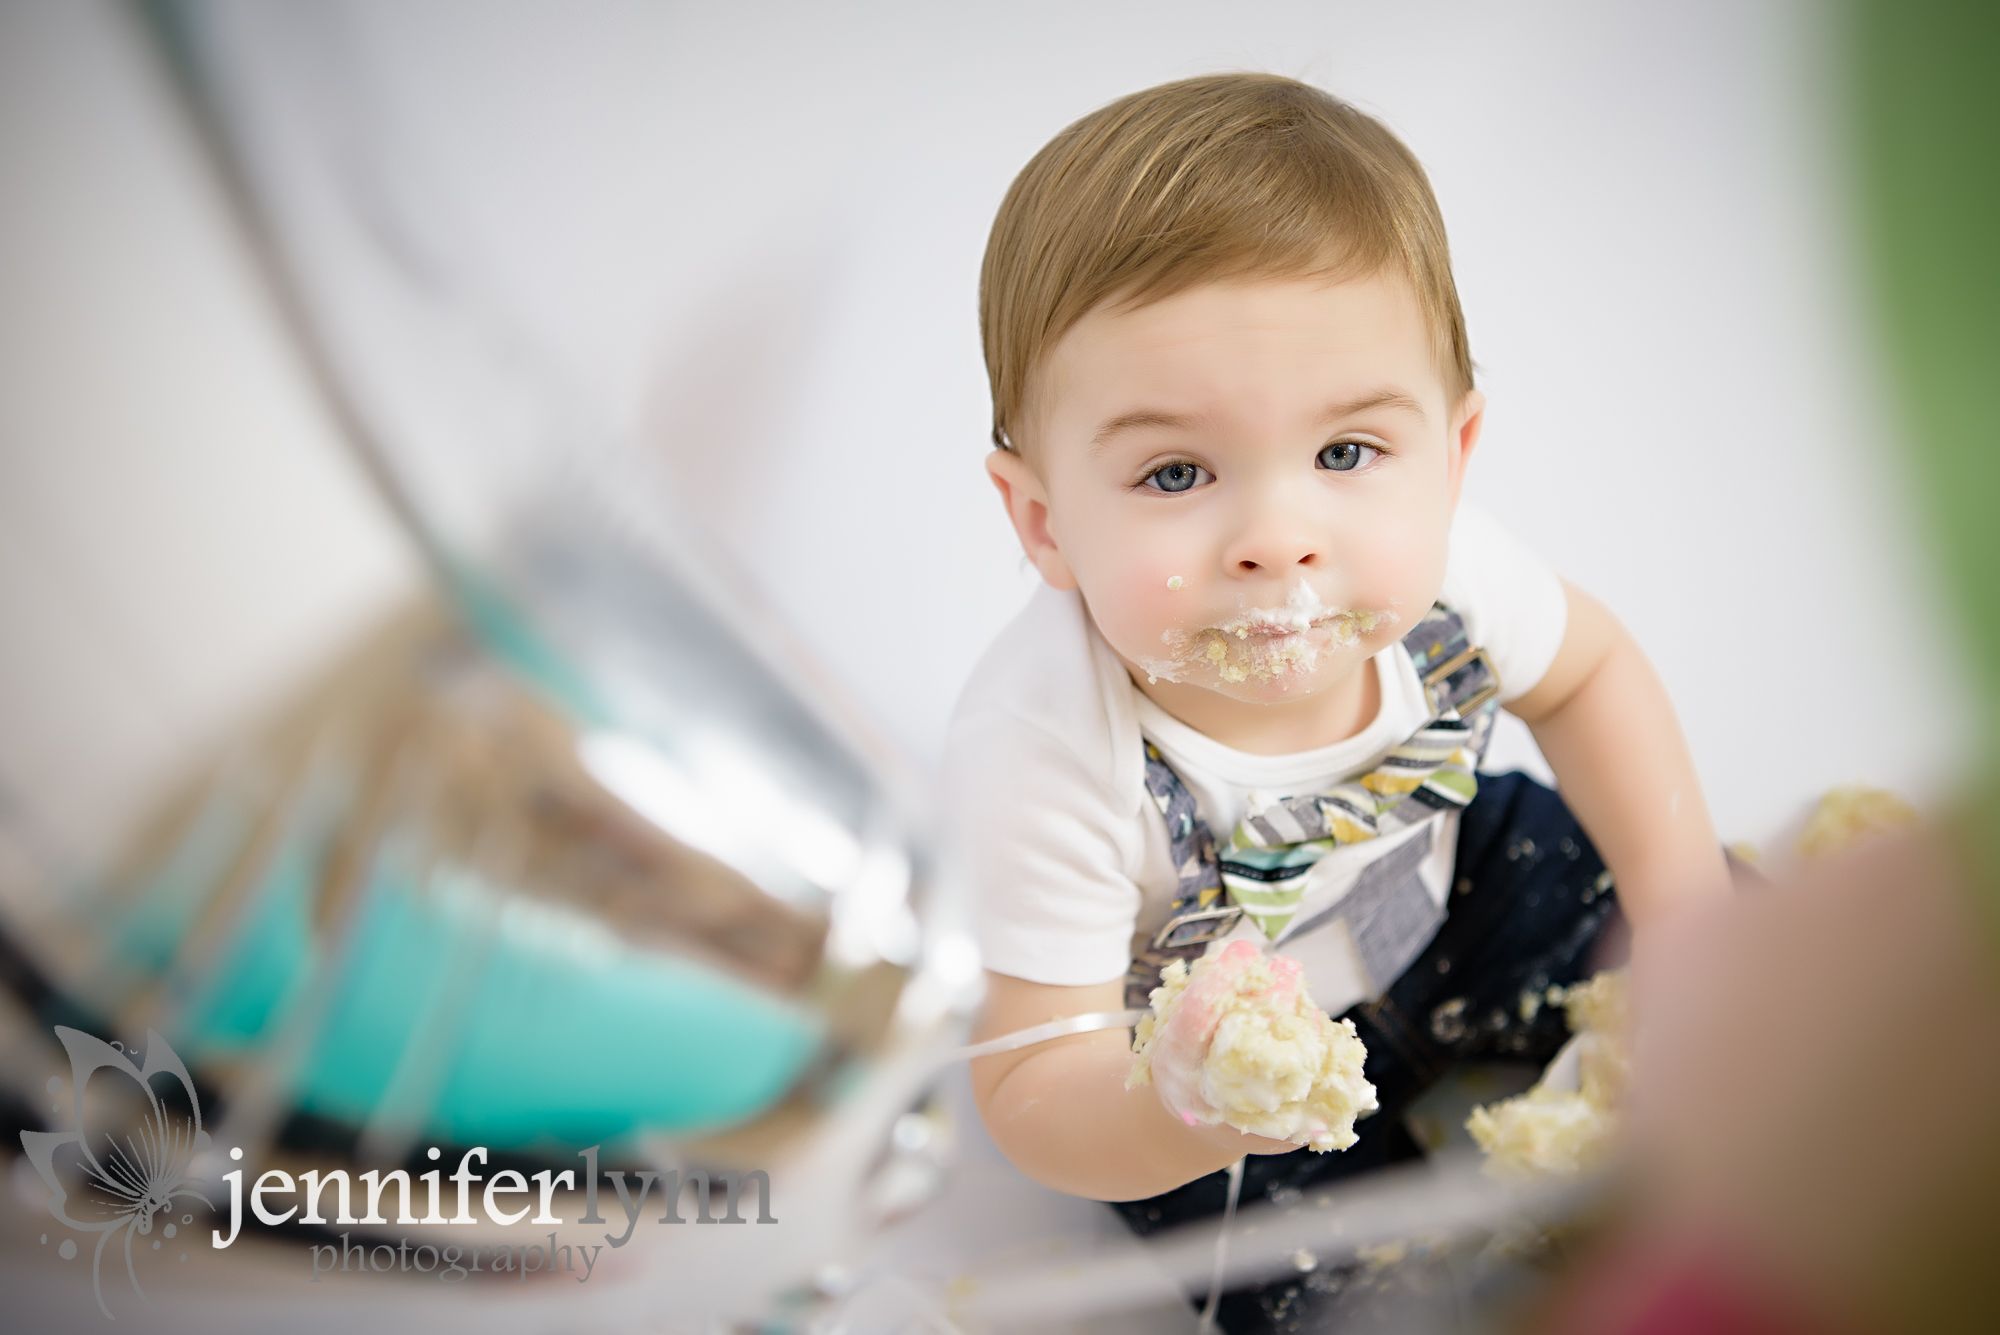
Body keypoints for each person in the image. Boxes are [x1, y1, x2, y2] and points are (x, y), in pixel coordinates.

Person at [944, 71, 1731, 1298]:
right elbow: (1032, 1077)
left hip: (1448, 907)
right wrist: (1175, 1114)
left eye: (1345, 452)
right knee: (1331, 1282)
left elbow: (1587, 677)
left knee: (1744, 938)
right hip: (1210, 1073)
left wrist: (1685, 924)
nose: (1278, 534)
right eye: (1172, 474)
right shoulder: (1042, 754)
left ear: (1450, 454)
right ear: (1042, 520)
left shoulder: (1457, 586)